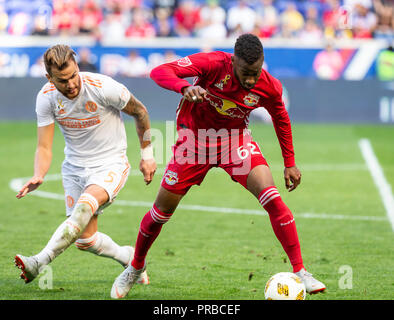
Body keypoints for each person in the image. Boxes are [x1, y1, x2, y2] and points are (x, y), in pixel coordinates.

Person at [110, 34, 326, 299]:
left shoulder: (269, 85)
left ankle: (301, 271)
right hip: (194, 142)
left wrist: (290, 163)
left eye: (255, 73)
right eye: (246, 73)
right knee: (161, 212)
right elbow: (159, 71)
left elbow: (280, 116)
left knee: (272, 198)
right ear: (233, 60)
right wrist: (183, 87)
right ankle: (135, 267)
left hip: (235, 143)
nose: (250, 80)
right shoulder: (212, 63)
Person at [14, 44, 157, 286]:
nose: (71, 84)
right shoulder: (46, 98)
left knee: (84, 208)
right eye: (62, 80)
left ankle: (37, 262)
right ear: (49, 78)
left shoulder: (104, 87)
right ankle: (130, 258)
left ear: (78, 68)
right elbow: (44, 146)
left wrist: (148, 154)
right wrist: (39, 174)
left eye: (73, 76)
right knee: (85, 241)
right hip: (74, 169)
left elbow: (140, 111)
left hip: (110, 163)